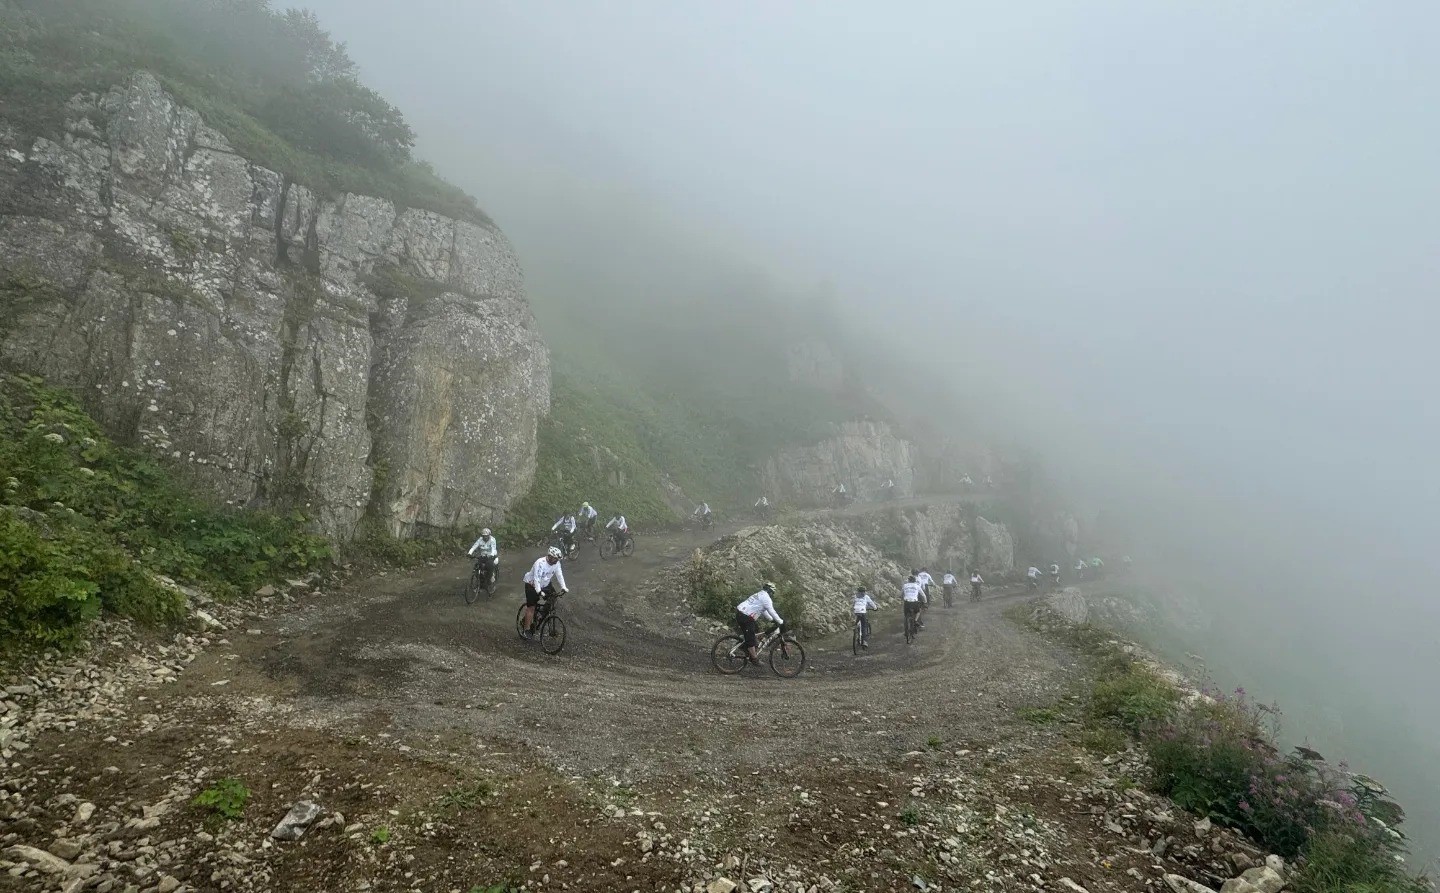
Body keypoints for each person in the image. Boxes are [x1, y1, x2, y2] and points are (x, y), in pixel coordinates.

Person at [521, 546, 568, 639]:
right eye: (556, 559)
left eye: (558, 559)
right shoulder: (540, 563)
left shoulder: (556, 563)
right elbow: (537, 578)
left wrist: (564, 587)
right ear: (550, 557)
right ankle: (526, 629)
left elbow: (559, 575)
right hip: (532, 585)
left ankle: (540, 614)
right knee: (531, 607)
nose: (557, 561)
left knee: (553, 598)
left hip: (546, 584)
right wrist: (538, 591)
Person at [735, 582, 784, 664]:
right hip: (746, 616)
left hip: (742, 614)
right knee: (750, 638)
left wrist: (772, 620)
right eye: (772, 593)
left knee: (756, 632)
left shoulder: (760, 594)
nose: (772, 594)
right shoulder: (766, 598)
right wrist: (781, 622)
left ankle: (745, 646)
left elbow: (764, 611)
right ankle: (754, 659)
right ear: (771, 591)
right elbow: (771, 611)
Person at [901, 575, 924, 641]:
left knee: (906, 616)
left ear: (908, 580)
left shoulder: (905, 586)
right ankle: (916, 620)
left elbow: (901, 594)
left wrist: (901, 598)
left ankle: (906, 630)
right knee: (918, 611)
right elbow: (923, 595)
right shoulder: (917, 586)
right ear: (914, 581)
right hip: (914, 602)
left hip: (907, 603)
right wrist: (925, 601)